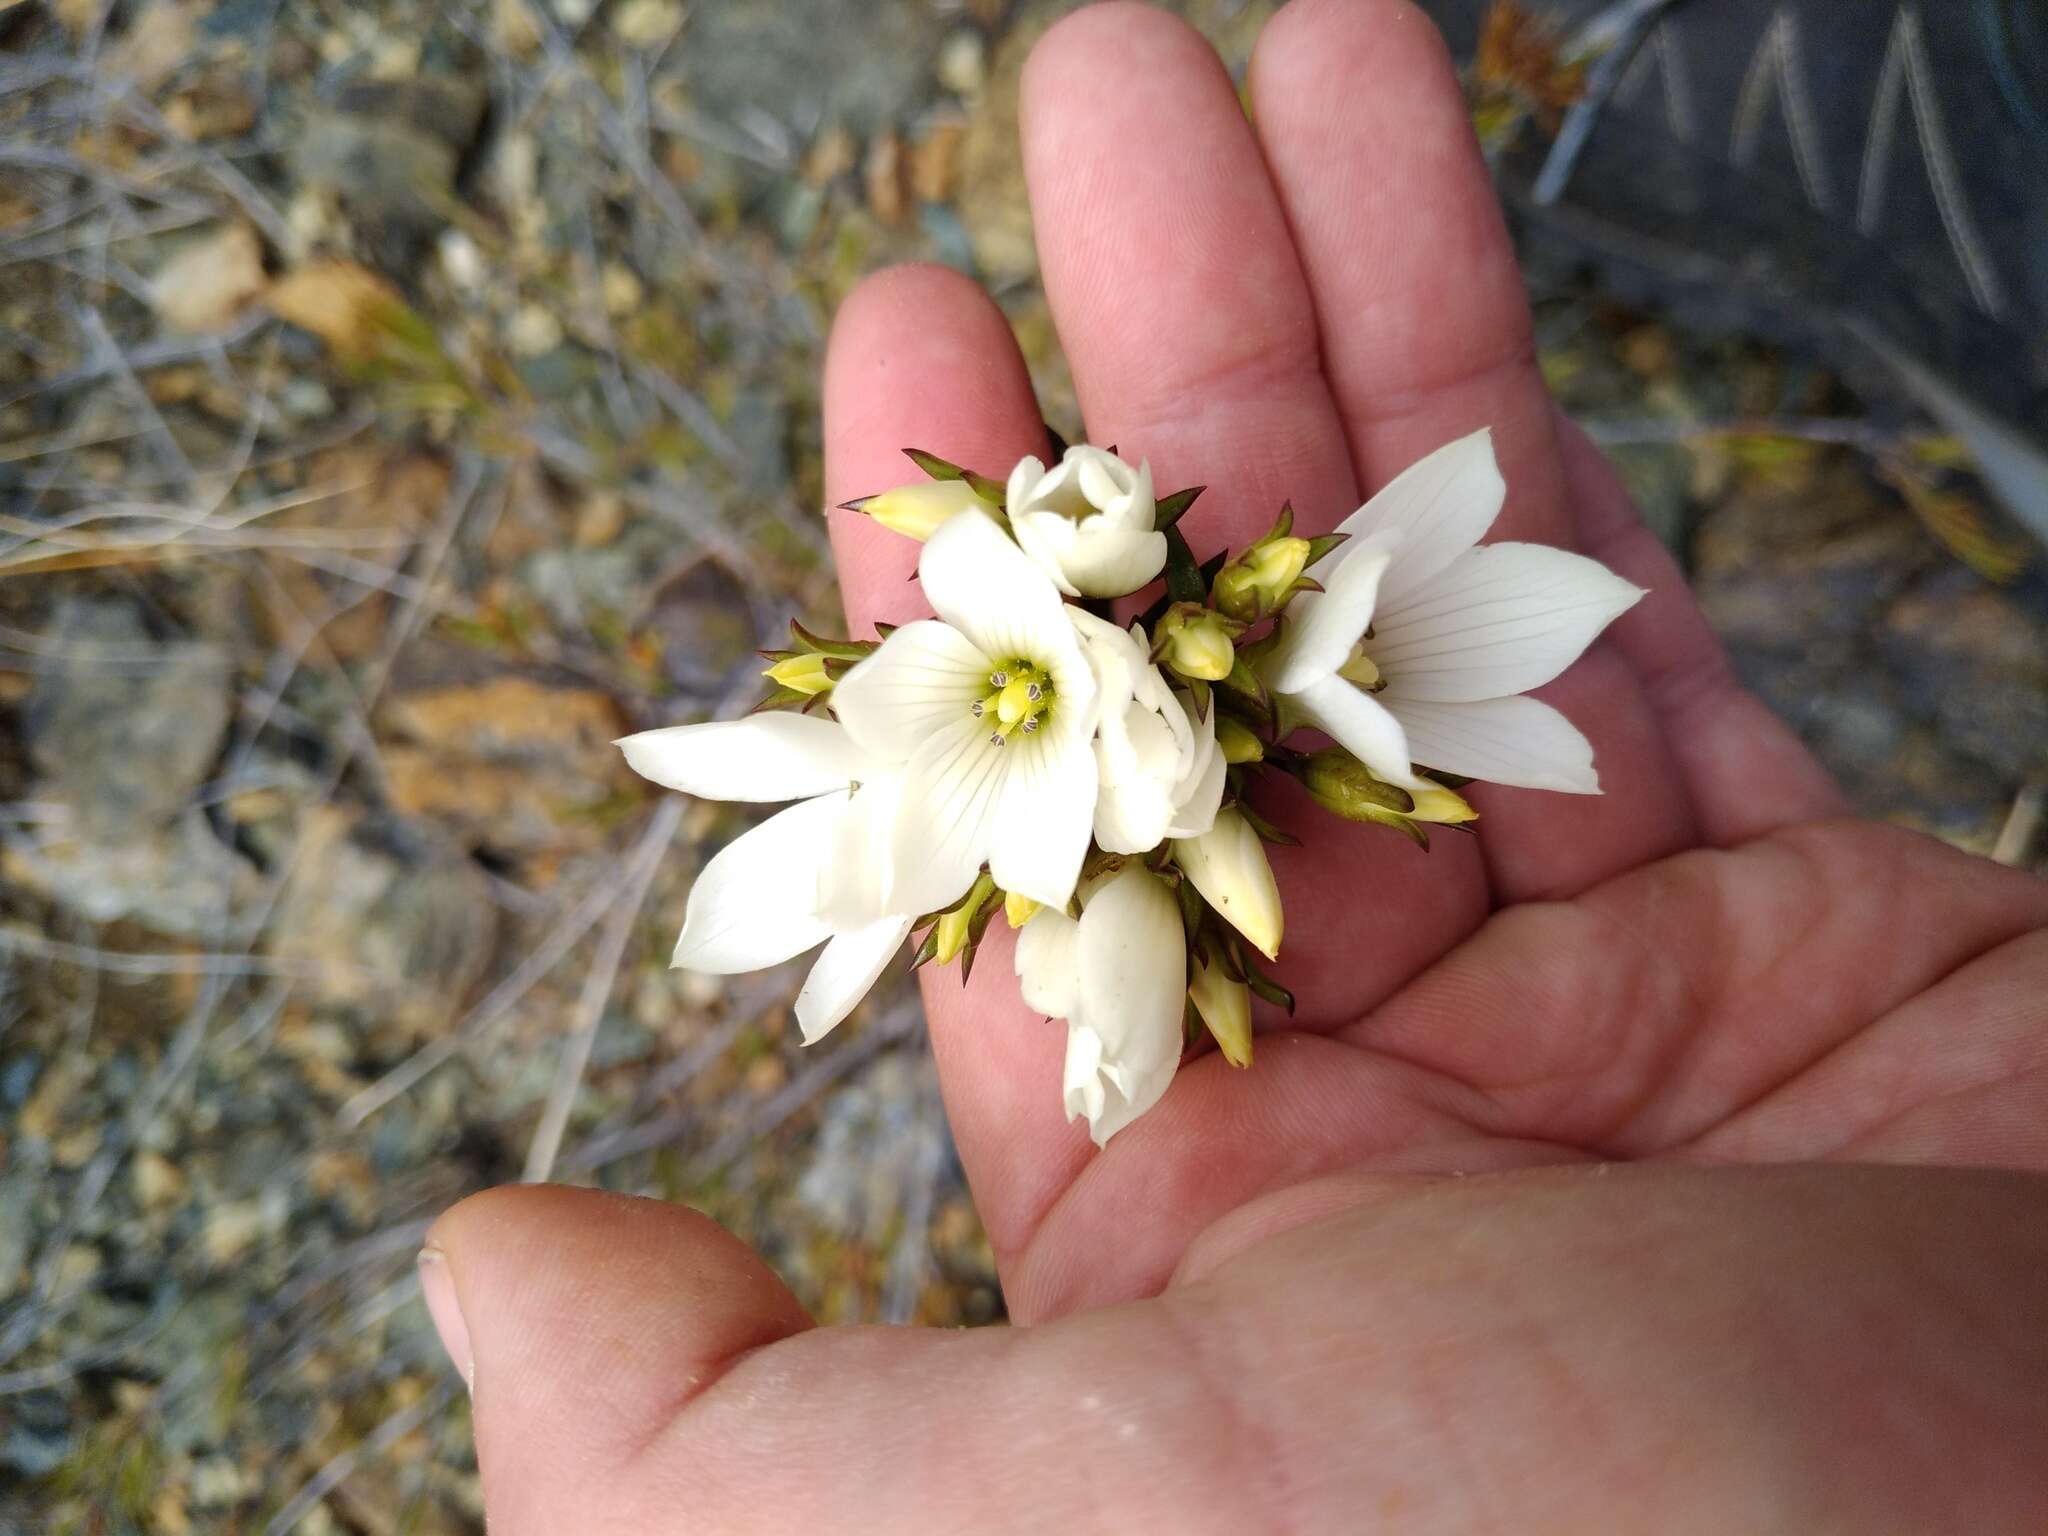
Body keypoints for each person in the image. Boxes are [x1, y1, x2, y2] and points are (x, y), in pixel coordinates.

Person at [415, 4, 2048, 1529]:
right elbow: (1040, 791)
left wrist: (1103, 668)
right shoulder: (1015, 806)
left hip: (1101, 692)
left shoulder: (1129, 722)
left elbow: (1078, 742)